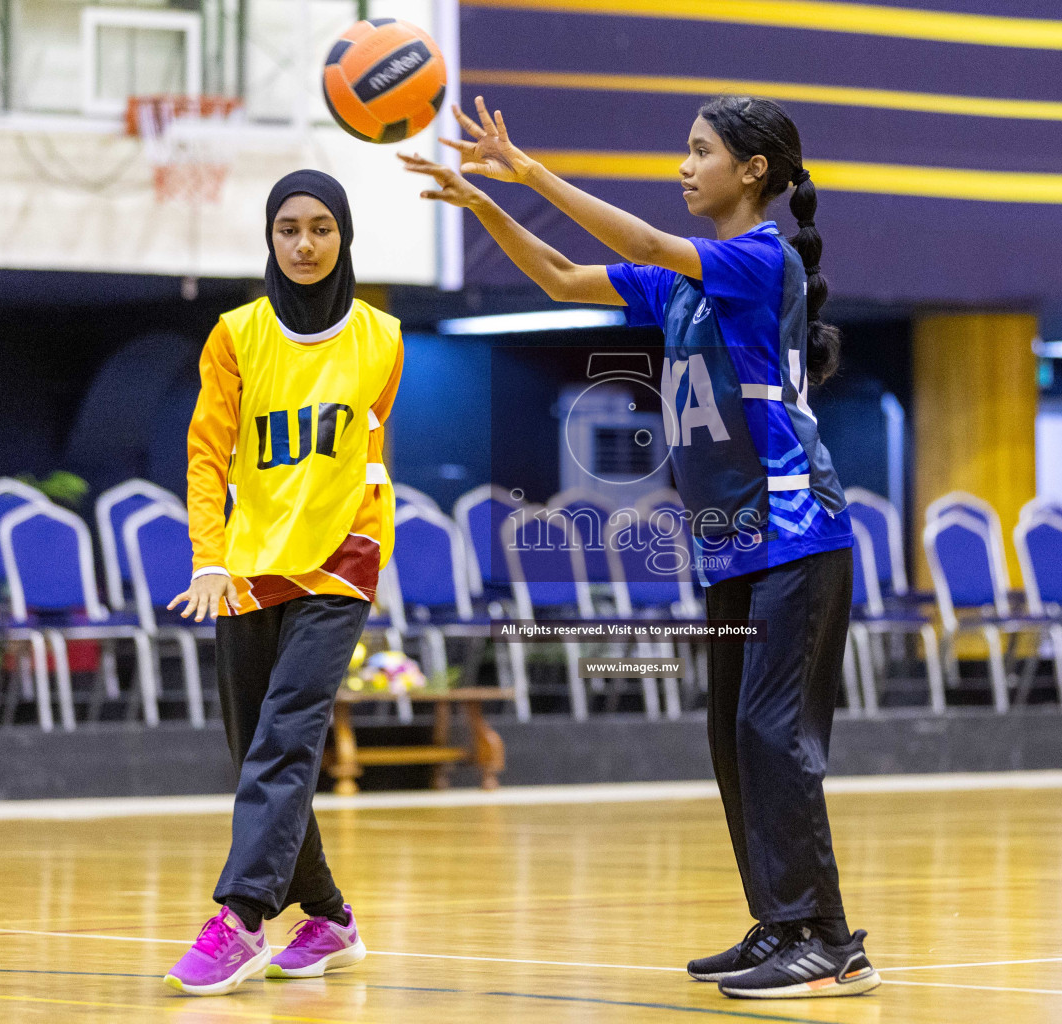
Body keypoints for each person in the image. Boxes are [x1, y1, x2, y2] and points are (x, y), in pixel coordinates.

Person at [401, 96, 879, 1000]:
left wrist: (532, 171)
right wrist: (486, 206)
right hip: (735, 544)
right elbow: (557, 277)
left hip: (795, 531)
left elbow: (652, 245)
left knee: (773, 733)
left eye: (701, 152)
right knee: (735, 739)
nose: (683, 166)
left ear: (754, 173)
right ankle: (782, 922)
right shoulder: (687, 287)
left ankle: (828, 941)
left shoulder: (756, 257)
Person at [162, 169, 404, 996]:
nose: (305, 244)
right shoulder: (234, 334)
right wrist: (210, 555)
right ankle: (329, 917)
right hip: (248, 564)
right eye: (289, 229)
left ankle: (241, 920)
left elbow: (371, 455)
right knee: (255, 754)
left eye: (321, 228)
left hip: (343, 557)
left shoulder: (383, 337)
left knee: (287, 738)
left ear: (344, 236)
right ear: (269, 238)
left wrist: (364, 544)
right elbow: (207, 456)